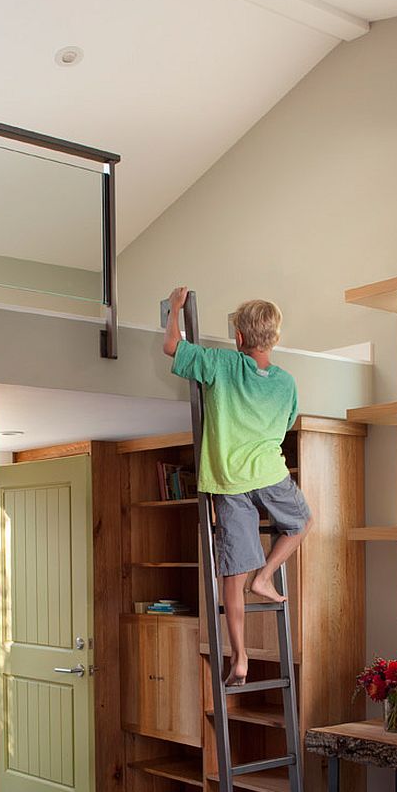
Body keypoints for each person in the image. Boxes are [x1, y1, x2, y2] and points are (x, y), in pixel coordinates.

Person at [163, 286, 312, 686]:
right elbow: (285, 425)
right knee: (300, 522)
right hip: (270, 474)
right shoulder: (286, 382)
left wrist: (175, 309)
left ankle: (241, 658)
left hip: (229, 481)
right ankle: (266, 575)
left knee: (231, 575)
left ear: (240, 338)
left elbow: (172, 346)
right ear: (274, 338)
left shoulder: (221, 364)